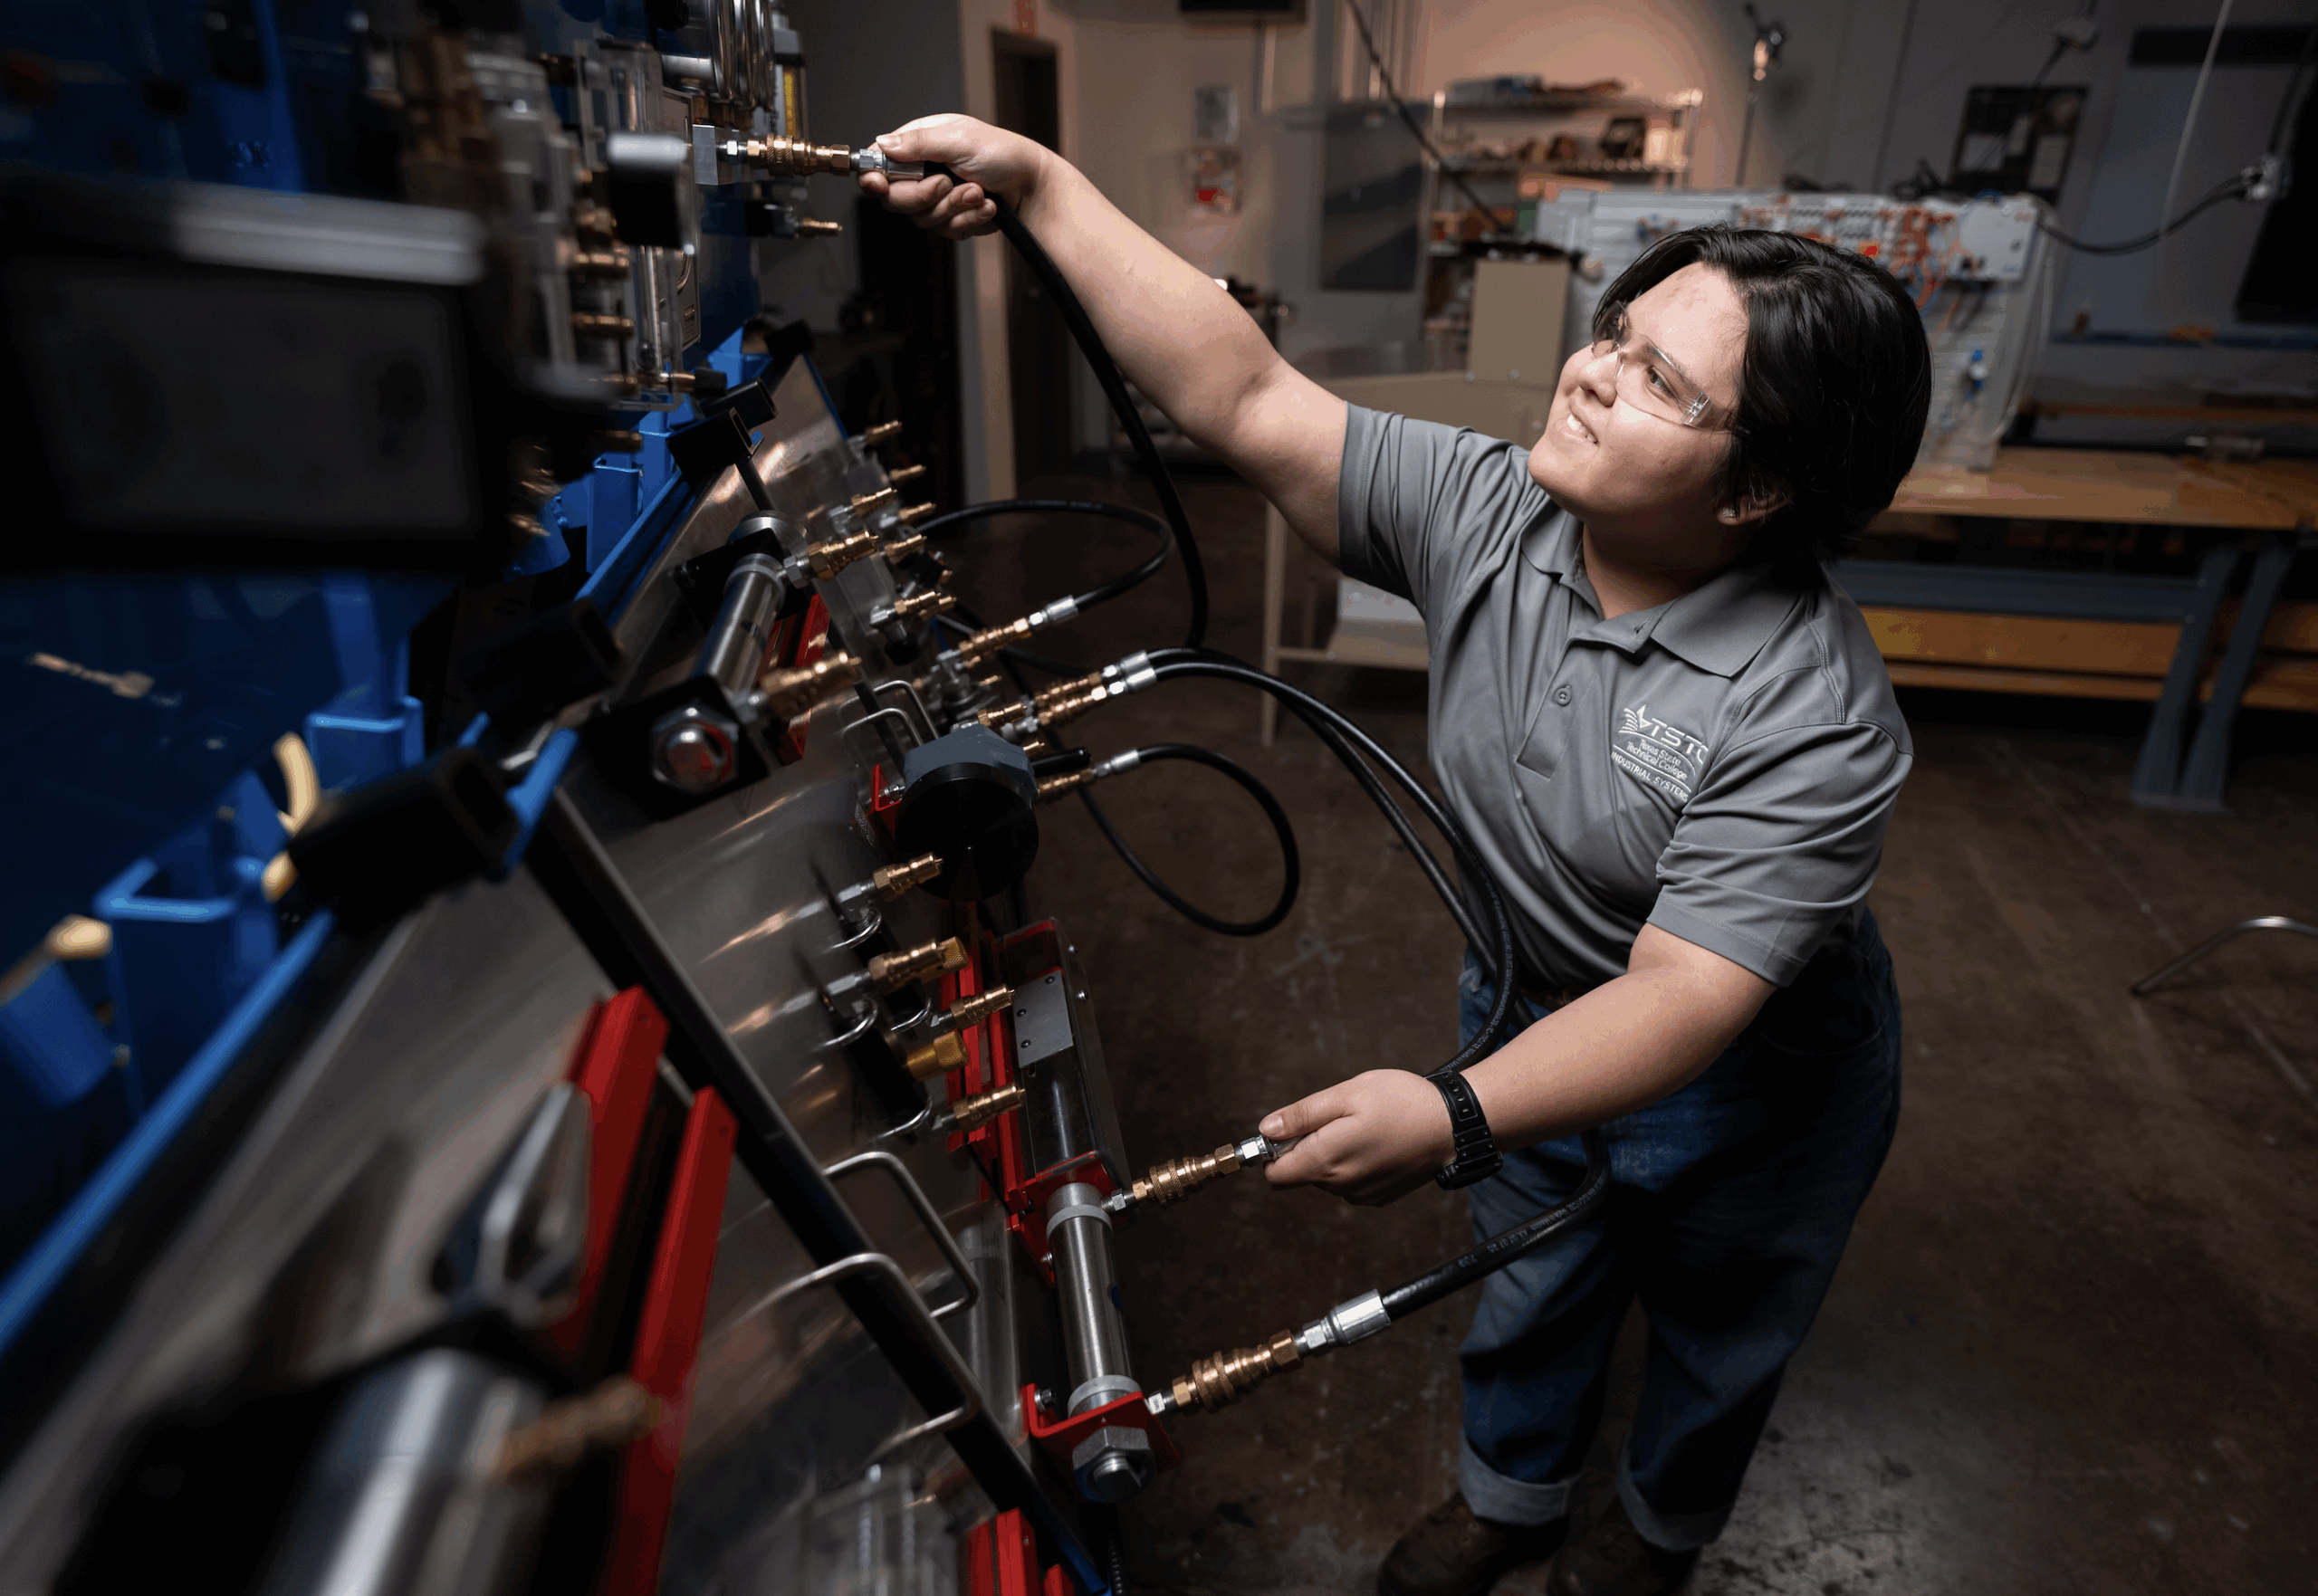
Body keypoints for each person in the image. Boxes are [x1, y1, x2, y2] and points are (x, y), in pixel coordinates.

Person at [863, 116, 1927, 1596]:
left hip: (1755, 1089)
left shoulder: (1815, 709)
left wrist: (1454, 1107)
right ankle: (1513, 1498)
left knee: (1722, 1331)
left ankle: (1655, 1534)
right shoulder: (1493, 513)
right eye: (1615, 333)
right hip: (1534, 1008)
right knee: (1532, 1278)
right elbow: (1245, 394)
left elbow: (1687, 993)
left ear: (1755, 492)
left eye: (1659, 380)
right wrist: (1041, 183)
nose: (1591, 371)